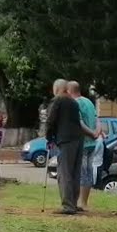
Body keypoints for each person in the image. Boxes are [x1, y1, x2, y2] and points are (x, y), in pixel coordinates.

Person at [45, 79, 84, 214]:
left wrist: (49, 138)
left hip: (66, 139)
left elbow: (50, 120)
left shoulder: (57, 101)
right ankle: (73, 202)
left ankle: (68, 206)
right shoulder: (73, 102)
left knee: (64, 172)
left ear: (57, 89)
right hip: (78, 139)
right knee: (75, 172)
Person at [70, 82, 102, 211]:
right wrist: (96, 132)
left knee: (81, 173)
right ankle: (85, 202)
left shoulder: (76, 104)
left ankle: (80, 203)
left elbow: (80, 123)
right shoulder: (89, 102)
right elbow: (97, 119)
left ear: (70, 91)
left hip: (83, 143)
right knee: (88, 172)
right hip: (93, 144)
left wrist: (90, 132)